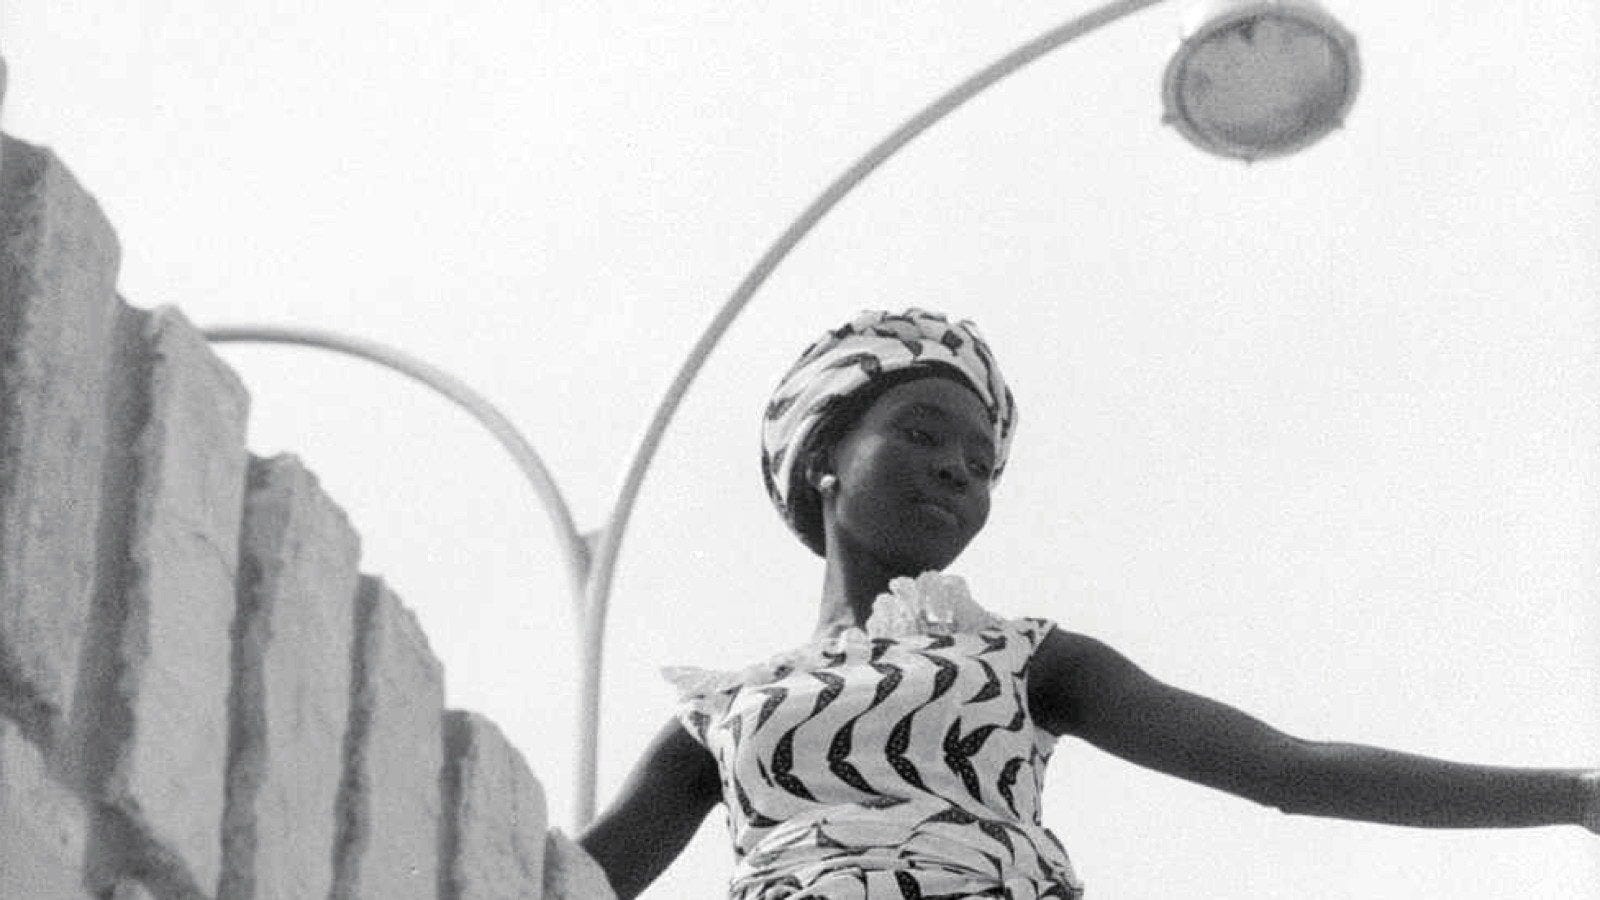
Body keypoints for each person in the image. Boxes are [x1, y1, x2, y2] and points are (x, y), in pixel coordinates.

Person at [579, 308, 1600, 899]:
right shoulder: (723, 713)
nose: (957, 469)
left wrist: (1572, 793)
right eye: (922, 433)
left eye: (981, 462)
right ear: (824, 459)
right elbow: (569, 884)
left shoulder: (1024, 660)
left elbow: (1283, 768)